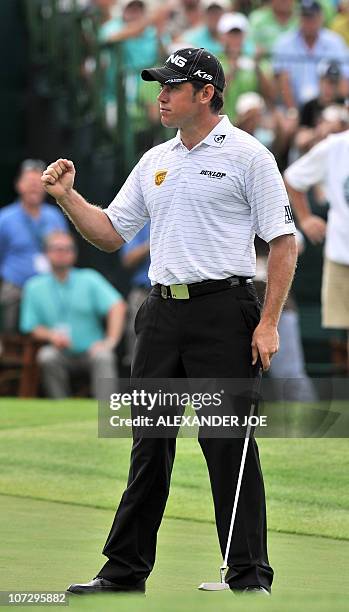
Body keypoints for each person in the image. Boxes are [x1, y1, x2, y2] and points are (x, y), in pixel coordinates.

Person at [41, 47, 297, 596]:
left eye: (172, 87)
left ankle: (249, 575)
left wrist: (268, 322)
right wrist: (67, 199)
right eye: (160, 85)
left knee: (227, 442)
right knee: (148, 445)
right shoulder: (156, 158)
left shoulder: (249, 155)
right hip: (159, 314)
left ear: (206, 94)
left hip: (225, 313)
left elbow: (284, 241)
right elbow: (111, 232)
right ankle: (123, 571)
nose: (160, 95)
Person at [20, 231, 127, 398]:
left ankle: (106, 409)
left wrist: (110, 341)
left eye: (67, 249)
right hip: (60, 352)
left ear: (74, 254)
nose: (62, 253)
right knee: (46, 356)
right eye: (56, 248)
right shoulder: (34, 286)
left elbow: (117, 305)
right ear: (46, 253)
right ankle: (61, 408)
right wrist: (51, 336)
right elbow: (30, 326)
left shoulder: (89, 279)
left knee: (104, 356)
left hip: (91, 351)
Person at [284, 128, 349, 364]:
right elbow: (292, 178)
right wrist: (305, 218)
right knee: (340, 340)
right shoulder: (335, 147)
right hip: (341, 257)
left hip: (338, 254)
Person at [0, 159, 68, 332]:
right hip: (16, 284)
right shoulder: (5, 219)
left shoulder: (55, 216)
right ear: (18, 185)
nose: (34, 187)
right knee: (8, 299)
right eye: (30, 183)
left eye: (39, 183)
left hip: (50, 284)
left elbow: (66, 250)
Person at [273, 0, 349, 110]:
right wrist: (293, 112)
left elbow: (344, 81)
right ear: (298, 18)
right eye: (305, 17)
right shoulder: (284, 43)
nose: (309, 22)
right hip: (294, 107)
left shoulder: (335, 42)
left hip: (328, 107)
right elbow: (280, 83)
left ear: (321, 18)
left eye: (312, 17)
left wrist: (333, 110)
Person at [121, 223, 151, 366]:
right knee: (137, 347)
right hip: (144, 292)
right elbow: (128, 259)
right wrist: (154, 242)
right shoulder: (142, 221)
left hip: (180, 292)